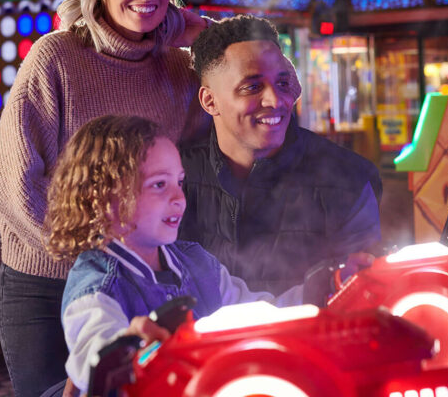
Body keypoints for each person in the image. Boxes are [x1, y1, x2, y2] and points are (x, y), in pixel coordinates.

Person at [0, 0, 211, 397]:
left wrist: (205, 37)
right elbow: (14, 183)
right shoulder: (56, 56)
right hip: (45, 279)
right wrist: (95, 256)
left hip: (134, 277)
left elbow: (194, 163)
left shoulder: (178, 67)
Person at [44, 115, 312, 394]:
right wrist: (126, 345)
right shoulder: (96, 284)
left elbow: (256, 311)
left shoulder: (197, 262)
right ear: (104, 198)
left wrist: (319, 294)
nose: (179, 198)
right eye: (159, 184)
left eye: (180, 182)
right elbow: (92, 351)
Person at [179, 15, 382, 295]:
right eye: (252, 87)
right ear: (209, 101)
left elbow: (361, 296)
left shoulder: (347, 178)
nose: (276, 101)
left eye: (283, 83)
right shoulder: (174, 177)